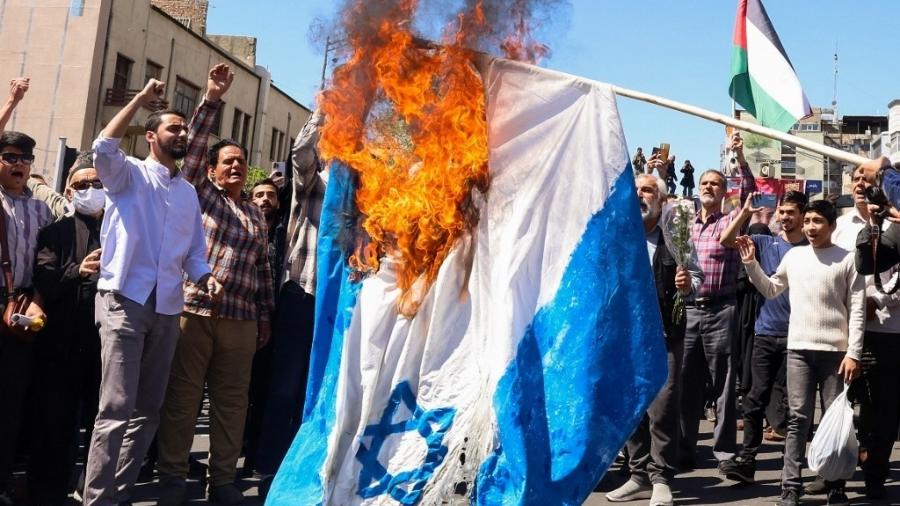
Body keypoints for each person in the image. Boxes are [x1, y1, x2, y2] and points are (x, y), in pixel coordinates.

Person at [83, 78, 223, 505]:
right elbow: (102, 148)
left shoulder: (188, 194)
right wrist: (141, 99)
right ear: (150, 136)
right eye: (173, 128)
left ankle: (120, 494)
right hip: (124, 299)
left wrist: (205, 277)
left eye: (185, 129)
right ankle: (97, 498)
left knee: (148, 411)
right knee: (116, 407)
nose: (182, 134)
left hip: (166, 309)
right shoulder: (127, 174)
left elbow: (194, 254)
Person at [155, 64, 275, 505]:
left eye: (242, 162)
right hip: (195, 312)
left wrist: (265, 318)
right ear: (212, 170)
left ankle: (222, 481)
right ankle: (171, 477)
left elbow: (263, 269)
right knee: (183, 399)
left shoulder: (258, 216)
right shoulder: (201, 195)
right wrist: (211, 97)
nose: (237, 166)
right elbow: (197, 145)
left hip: (242, 320)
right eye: (228, 161)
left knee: (231, 404)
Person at [737, 199, 863, 506]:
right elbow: (770, 289)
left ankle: (836, 485)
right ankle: (790, 486)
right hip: (798, 350)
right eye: (807, 221)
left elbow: (857, 309)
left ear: (832, 226)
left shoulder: (848, 260)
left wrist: (854, 353)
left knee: (836, 420)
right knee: (797, 420)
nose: (810, 227)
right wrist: (751, 263)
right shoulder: (794, 258)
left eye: (817, 221)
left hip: (835, 353)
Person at [606, 174, 703, 506]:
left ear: (661, 201)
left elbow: (698, 277)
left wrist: (687, 283)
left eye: (647, 190)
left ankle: (661, 479)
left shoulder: (675, 239)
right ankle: (638, 476)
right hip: (627, 340)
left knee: (662, 408)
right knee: (632, 410)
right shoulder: (619, 238)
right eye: (635, 190)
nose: (639, 195)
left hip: (665, 335)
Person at [255, 109, 326, 497]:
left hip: (340, 305)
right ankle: (270, 469)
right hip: (302, 293)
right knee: (285, 388)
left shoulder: (370, 190)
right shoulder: (315, 181)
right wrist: (326, 111)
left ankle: (310, 468)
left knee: (318, 390)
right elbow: (300, 153)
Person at [718, 190, 809, 485]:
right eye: (781, 212)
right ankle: (747, 460)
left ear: (803, 216)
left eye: (790, 212)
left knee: (792, 407)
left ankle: (791, 468)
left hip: (798, 337)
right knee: (754, 400)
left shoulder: (811, 250)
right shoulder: (765, 242)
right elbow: (727, 241)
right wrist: (745, 213)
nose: (784, 217)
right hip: (765, 334)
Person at [29, 154, 105, 504]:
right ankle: (48, 489)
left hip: (105, 344)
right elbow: (45, 277)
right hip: (61, 341)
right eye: (82, 185)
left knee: (100, 422)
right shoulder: (54, 231)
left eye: (97, 184)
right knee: (55, 420)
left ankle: (92, 487)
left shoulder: (120, 229)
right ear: (68, 191)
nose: (90, 190)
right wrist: (79, 271)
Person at [678, 132, 756, 472]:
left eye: (715, 183)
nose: (709, 187)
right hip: (689, 310)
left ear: (724, 192)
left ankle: (724, 452)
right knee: (685, 382)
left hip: (721, 309)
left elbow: (751, 190)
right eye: (705, 183)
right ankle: (683, 448)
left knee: (724, 382)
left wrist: (740, 156)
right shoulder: (687, 223)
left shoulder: (731, 220)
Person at [0, 131, 53, 503]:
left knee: (11, 403)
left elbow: (48, 264)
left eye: (25, 159)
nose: (19, 165)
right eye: (10, 157)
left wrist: (37, 300)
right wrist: (12, 102)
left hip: (21, 311)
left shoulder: (43, 210)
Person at [847, 165, 900, 500]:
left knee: (885, 410)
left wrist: (876, 299)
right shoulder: (839, 226)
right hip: (855, 333)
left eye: (868, 180)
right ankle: (845, 471)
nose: (862, 186)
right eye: (857, 180)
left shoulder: (894, 225)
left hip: (889, 331)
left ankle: (875, 472)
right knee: (857, 406)